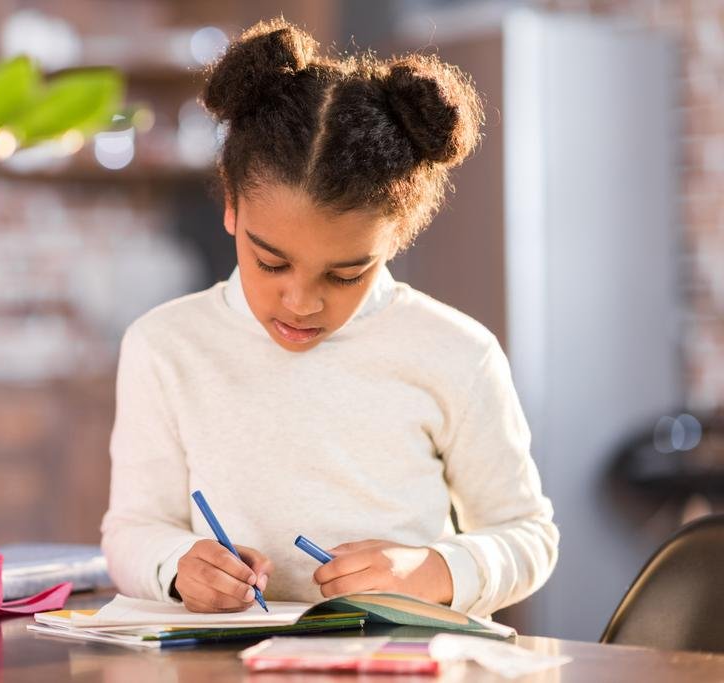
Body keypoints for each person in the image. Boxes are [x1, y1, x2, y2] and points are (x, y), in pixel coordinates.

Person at [100, 18, 558, 617]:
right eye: (271, 264)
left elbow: (527, 534)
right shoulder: (165, 346)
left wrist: (432, 570)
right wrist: (178, 567)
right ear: (232, 207)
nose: (301, 302)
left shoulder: (456, 352)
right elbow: (132, 529)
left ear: (396, 238)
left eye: (344, 275)